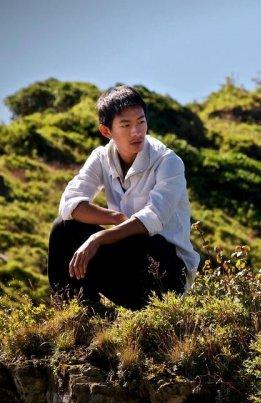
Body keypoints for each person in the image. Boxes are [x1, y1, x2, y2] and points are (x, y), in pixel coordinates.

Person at [47, 85, 200, 309]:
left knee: (141, 238)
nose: (136, 132)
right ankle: (82, 314)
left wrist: (97, 239)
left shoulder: (168, 161)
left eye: (141, 122)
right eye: (126, 125)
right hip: (128, 265)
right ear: (106, 131)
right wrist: (114, 218)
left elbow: (153, 217)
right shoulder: (101, 157)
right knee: (63, 228)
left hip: (167, 273)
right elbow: (69, 203)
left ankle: (140, 311)